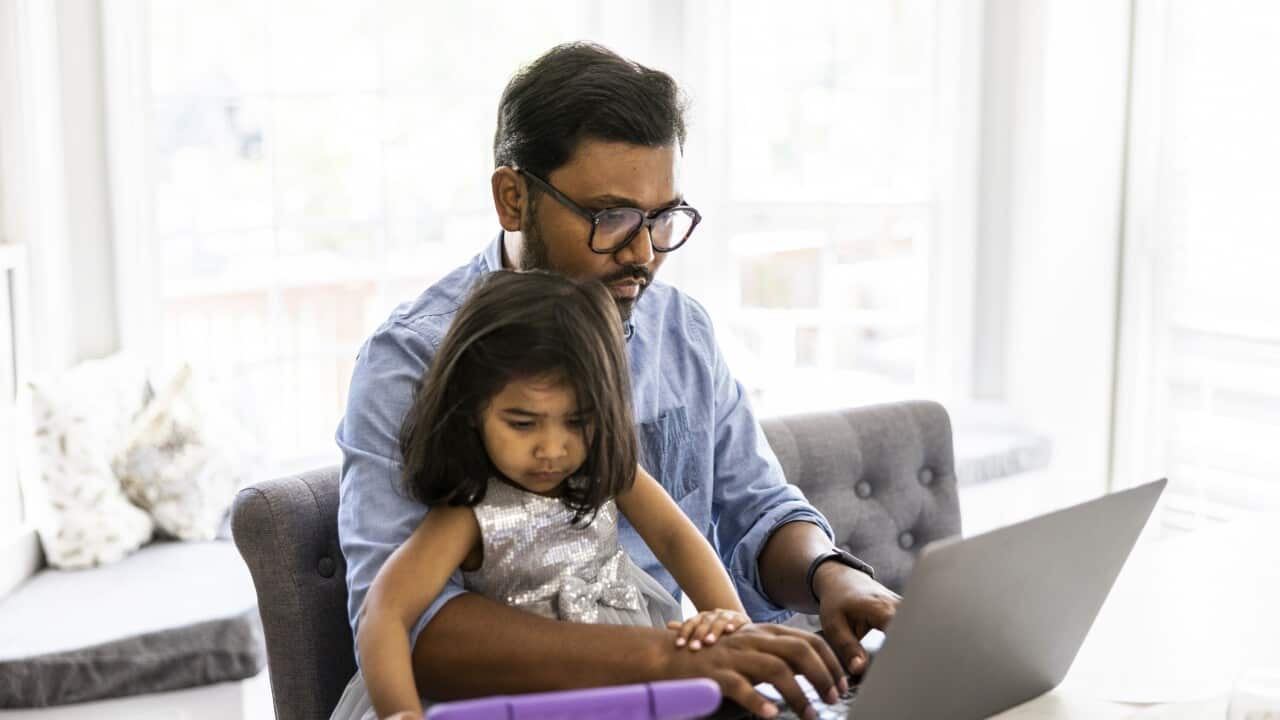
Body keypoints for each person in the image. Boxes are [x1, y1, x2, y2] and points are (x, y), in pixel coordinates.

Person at [335, 42, 901, 720]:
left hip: (673, 682)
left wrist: (829, 573)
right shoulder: (413, 358)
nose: (643, 254)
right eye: (610, 218)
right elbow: (413, 624)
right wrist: (675, 657)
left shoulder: (679, 330)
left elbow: (754, 509)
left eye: (662, 220)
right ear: (513, 198)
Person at [356, 270, 752, 720]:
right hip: (526, 693)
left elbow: (676, 540)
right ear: (472, 411)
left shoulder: (611, 475)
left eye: (578, 422)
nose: (551, 449)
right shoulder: (468, 517)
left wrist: (733, 626)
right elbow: (383, 610)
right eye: (523, 424)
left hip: (625, 678)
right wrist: (400, 712)